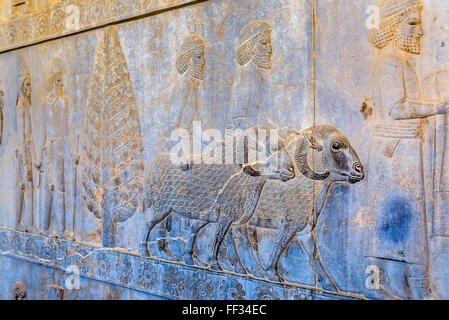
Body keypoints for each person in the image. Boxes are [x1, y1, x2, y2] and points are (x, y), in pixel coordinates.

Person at [363, 0, 449, 299]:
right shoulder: (389, 62)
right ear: (392, 26)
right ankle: (376, 287)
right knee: (396, 223)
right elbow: (397, 108)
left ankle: (414, 286)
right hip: (395, 155)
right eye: (412, 23)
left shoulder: (399, 62)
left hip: (404, 152)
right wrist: (437, 107)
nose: (421, 31)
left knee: (404, 225)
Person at [36, 57, 79, 238]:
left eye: (62, 80)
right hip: (49, 149)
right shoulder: (45, 104)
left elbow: (64, 132)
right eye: (58, 80)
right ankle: (45, 229)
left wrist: (72, 153)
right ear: (53, 81)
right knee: (47, 188)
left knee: (59, 188)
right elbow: (42, 131)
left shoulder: (62, 103)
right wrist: (38, 157)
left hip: (60, 149)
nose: (61, 84)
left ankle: (62, 230)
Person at [15, 57, 38, 233]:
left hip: (28, 149)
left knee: (30, 186)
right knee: (22, 185)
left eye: (30, 86)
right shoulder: (21, 106)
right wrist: (24, 156)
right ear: (21, 86)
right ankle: (17, 221)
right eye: (27, 86)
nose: (29, 90)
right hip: (23, 151)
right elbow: (23, 132)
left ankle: (29, 223)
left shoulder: (27, 105)